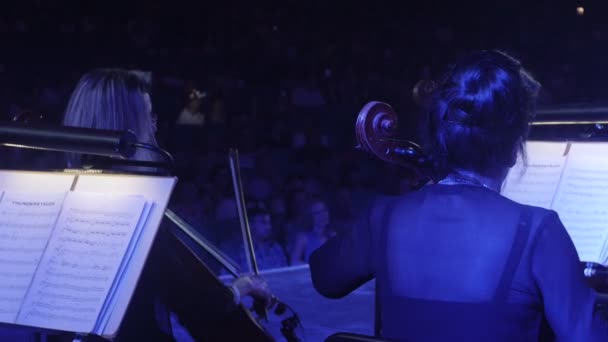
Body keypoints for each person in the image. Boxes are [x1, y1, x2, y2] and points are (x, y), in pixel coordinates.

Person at [309, 50, 608, 341]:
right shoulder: (538, 231)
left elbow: (323, 277)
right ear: (515, 146)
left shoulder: (384, 216)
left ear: (440, 135)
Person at [61, 69, 274, 341]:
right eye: (147, 117)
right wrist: (241, 288)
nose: (154, 127)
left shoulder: (68, 202)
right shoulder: (133, 214)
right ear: (126, 131)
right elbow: (201, 309)